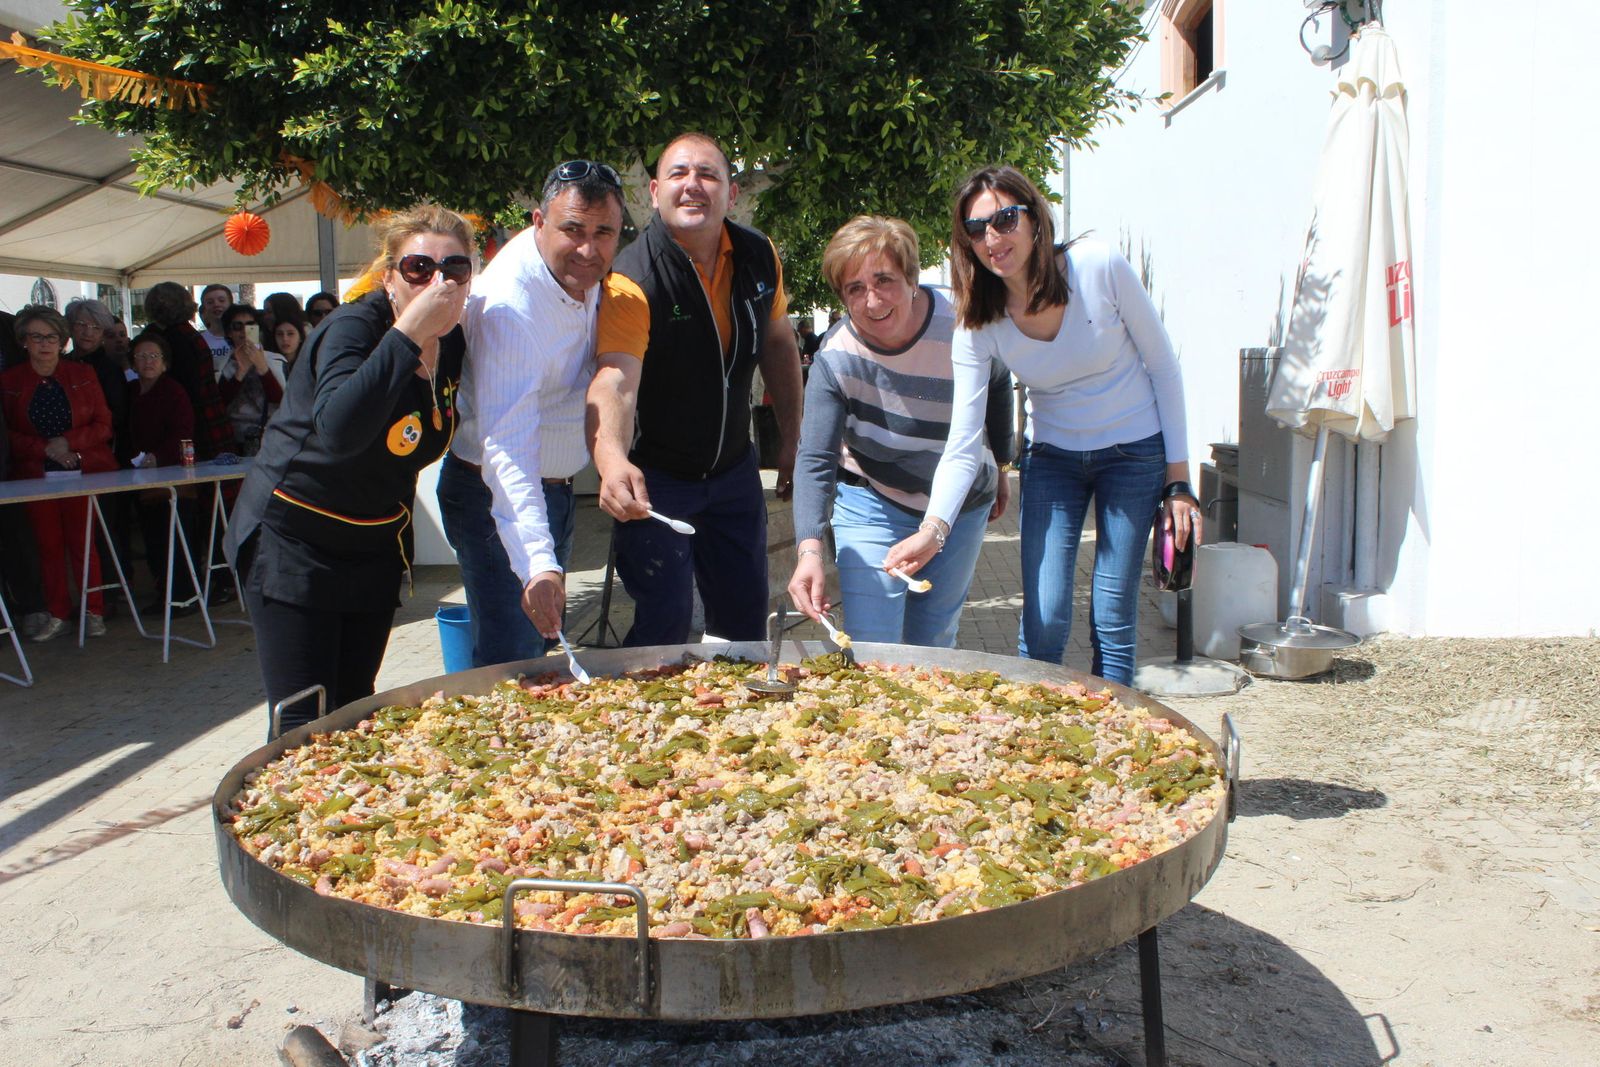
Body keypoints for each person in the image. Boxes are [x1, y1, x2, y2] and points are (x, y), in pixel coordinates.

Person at [886, 166, 1201, 685]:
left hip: (1135, 452)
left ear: (1035, 221)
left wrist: (1180, 481)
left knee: (1113, 611)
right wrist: (932, 530)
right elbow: (964, 444)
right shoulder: (978, 320)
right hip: (1054, 458)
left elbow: (1164, 368)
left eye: (1005, 219)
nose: (993, 237)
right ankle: (1040, 737)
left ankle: (1117, 736)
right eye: (976, 227)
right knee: (1045, 613)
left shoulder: (1098, 267)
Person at [224, 205, 472, 738]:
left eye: (454, 270)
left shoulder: (453, 342)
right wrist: (408, 334)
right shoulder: (353, 328)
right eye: (418, 268)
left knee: (352, 711)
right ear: (389, 278)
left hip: (374, 545)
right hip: (295, 541)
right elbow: (340, 430)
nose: (437, 282)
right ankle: (276, 819)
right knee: (301, 718)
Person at [589, 131, 804, 646]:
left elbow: (778, 344)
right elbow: (615, 378)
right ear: (657, 189)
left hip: (735, 474)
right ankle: (643, 720)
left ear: (731, 193)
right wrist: (611, 458)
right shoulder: (632, 276)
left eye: (708, 174)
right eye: (680, 174)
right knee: (666, 619)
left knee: (745, 622)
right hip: (659, 479)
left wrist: (794, 439)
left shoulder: (758, 254)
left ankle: (738, 719)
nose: (694, 186)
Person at [787, 216, 1012, 647]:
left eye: (884, 280)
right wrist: (809, 551)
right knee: (874, 646)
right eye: (854, 289)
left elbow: (999, 383)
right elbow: (816, 459)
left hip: (961, 507)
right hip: (873, 499)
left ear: (911, 279)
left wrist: (1002, 462)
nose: (872, 301)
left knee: (933, 645)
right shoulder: (836, 358)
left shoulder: (964, 325)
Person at [441, 160, 624, 666]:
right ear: (538, 223)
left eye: (604, 232)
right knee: (515, 665)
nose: (589, 250)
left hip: (555, 489)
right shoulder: (510, 307)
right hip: (496, 493)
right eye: (572, 230)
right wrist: (538, 564)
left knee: (539, 652)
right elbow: (509, 448)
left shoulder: (585, 273)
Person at [0, 305, 117, 642]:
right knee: (48, 546)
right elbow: (6, 433)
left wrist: (68, 443)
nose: (44, 344)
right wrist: (44, 449)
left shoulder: (82, 374)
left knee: (84, 545)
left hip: (81, 470)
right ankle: (58, 612)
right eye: (36, 337)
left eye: (51, 337)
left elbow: (103, 424)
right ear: (24, 341)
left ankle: (94, 610)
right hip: (36, 475)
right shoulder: (9, 381)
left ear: (62, 341)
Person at [125, 331, 199, 614]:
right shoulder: (131, 391)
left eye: (153, 356)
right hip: (140, 478)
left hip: (174, 479)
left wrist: (158, 456)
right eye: (141, 356)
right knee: (153, 539)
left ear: (165, 362)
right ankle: (164, 593)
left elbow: (183, 433)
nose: (147, 361)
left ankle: (182, 597)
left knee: (176, 540)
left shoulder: (173, 391)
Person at [143, 281, 234, 460]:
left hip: (195, 422)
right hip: (208, 418)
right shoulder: (189, 334)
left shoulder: (174, 339)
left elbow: (182, 385)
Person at [217, 305, 287, 455]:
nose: (244, 331)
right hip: (235, 438)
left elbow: (282, 400)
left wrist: (262, 368)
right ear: (229, 332)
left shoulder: (275, 360)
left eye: (250, 326)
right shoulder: (223, 363)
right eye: (237, 326)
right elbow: (220, 403)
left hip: (271, 436)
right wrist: (240, 372)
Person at [198, 283, 234, 374]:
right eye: (210, 302)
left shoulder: (243, 336)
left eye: (221, 300)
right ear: (204, 308)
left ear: (231, 305)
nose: (216, 304)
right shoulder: (199, 340)